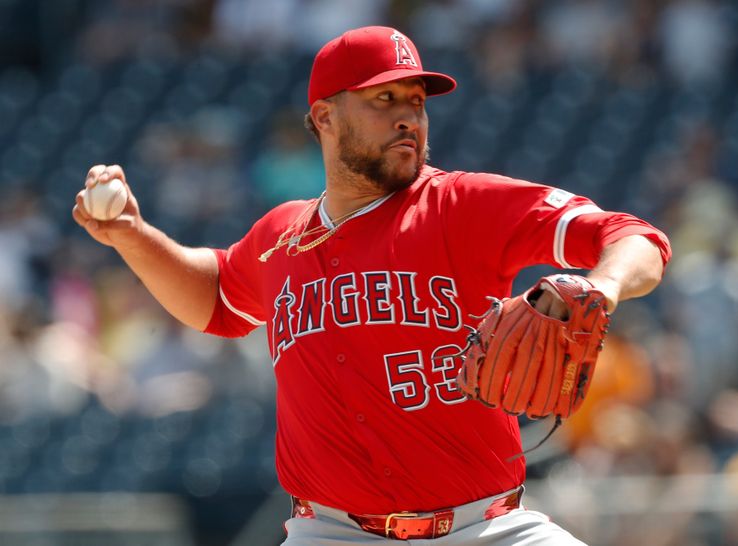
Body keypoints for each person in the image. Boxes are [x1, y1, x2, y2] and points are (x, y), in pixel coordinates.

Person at [73, 26, 671, 546]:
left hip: (483, 527)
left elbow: (634, 236)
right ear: (325, 117)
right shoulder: (280, 235)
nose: (408, 114)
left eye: (415, 100)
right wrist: (131, 235)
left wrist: (603, 285)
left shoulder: (463, 204)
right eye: (384, 99)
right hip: (330, 531)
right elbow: (214, 299)